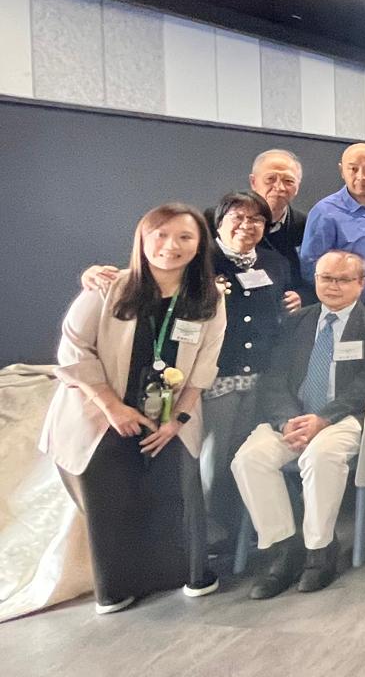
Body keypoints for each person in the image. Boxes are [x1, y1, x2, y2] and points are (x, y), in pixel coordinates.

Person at [39, 203, 226, 613]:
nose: (171, 246)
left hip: (169, 413)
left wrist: (177, 420)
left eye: (185, 237)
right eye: (160, 235)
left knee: (176, 486)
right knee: (110, 489)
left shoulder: (208, 298)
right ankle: (116, 588)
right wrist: (113, 409)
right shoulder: (108, 288)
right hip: (97, 410)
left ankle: (180, 573)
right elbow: (73, 353)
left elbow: (204, 368)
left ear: (199, 245)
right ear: (142, 239)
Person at [232, 250, 365, 598]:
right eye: (326, 278)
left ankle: (320, 550)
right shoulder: (296, 322)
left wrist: (323, 418)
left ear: (360, 284)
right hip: (293, 416)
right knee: (249, 459)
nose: (333, 286)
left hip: (346, 417)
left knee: (319, 456)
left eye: (343, 279)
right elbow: (275, 377)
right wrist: (286, 421)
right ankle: (285, 548)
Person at [196, 190, 292, 557]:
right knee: (214, 460)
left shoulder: (274, 262)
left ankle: (243, 530)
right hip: (217, 379)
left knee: (245, 456)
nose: (247, 226)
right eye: (238, 217)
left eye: (256, 220)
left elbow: (281, 304)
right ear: (219, 222)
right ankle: (207, 536)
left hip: (263, 377)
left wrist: (294, 299)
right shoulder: (201, 261)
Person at [301, 141, 365, 306]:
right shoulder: (324, 213)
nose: (361, 176)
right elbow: (311, 267)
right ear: (342, 171)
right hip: (347, 307)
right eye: (353, 169)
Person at [247, 148, 313, 307]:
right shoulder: (225, 222)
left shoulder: (307, 227)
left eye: (288, 181)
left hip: (284, 315)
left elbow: (318, 275)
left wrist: (303, 297)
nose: (279, 187)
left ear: (297, 186)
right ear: (253, 182)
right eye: (270, 179)